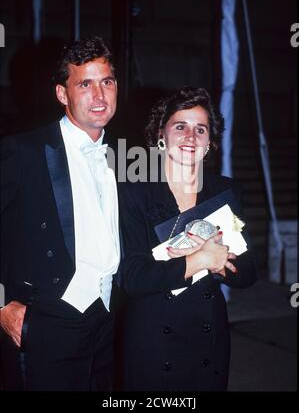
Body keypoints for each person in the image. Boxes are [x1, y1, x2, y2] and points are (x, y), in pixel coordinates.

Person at [0, 35, 120, 391]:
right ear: (62, 94)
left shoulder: (125, 154)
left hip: (108, 317)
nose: (99, 96)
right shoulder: (22, 150)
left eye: (107, 82)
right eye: (85, 84)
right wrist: (2, 305)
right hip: (48, 317)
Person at [118, 87, 258, 391]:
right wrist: (198, 261)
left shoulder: (225, 191)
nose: (190, 137)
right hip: (152, 336)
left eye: (200, 129)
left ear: (210, 142)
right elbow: (132, 276)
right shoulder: (134, 192)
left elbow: (249, 270)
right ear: (161, 135)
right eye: (180, 126)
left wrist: (223, 266)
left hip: (208, 335)